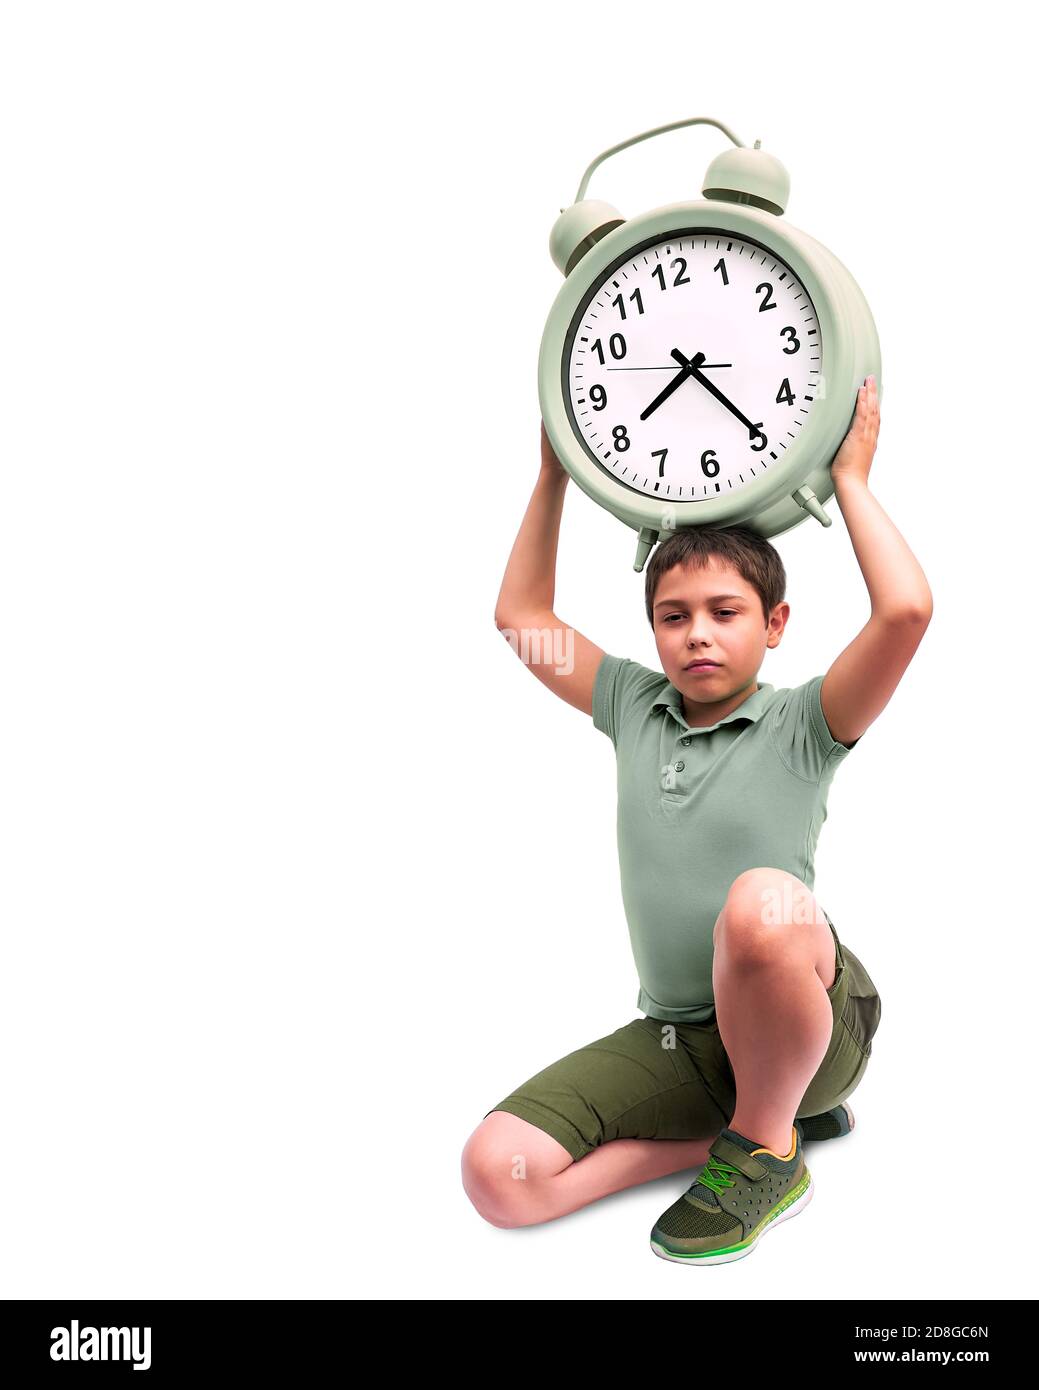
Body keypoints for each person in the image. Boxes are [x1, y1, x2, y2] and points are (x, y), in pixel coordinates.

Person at [463, 377, 932, 1264]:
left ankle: (762, 1147)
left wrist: (855, 482)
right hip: (678, 1037)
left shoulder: (807, 721)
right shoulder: (631, 705)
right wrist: (552, 477)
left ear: (775, 623)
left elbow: (905, 612)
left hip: (811, 1018)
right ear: (651, 632)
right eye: (673, 617)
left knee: (761, 901)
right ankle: (774, 1131)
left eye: (725, 613)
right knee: (500, 1175)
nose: (698, 635)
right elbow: (520, 618)